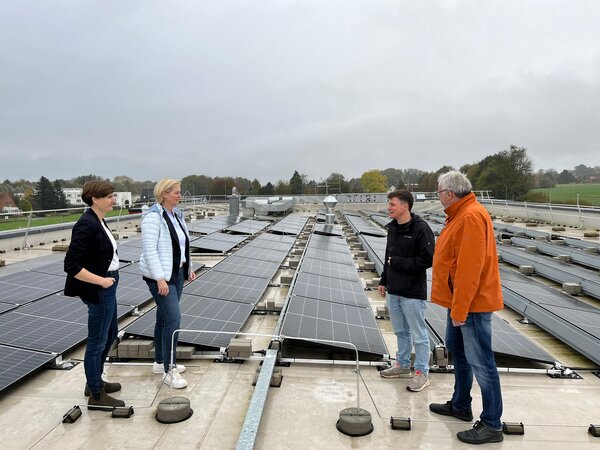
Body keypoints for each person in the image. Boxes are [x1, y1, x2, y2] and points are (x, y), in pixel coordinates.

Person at [429, 171, 504, 445]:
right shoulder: (460, 214)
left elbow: (469, 270)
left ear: (449, 193)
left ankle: (492, 423)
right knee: (459, 354)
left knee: (482, 363)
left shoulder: (470, 216)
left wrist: (460, 310)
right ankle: (461, 404)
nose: (438, 197)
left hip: (470, 305)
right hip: (459, 302)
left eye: (438, 192)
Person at [64, 180, 125, 410]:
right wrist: (102, 281)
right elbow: (71, 264)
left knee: (110, 335)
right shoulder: (86, 224)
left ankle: (95, 381)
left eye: (113, 195)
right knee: (97, 342)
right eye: (109, 196)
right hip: (99, 289)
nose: (113, 200)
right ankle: (96, 395)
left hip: (108, 284)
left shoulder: (98, 220)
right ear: (95, 199)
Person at [139, 179, 195, 389]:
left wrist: (188, 268)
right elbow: (150, 250)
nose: (180, 196)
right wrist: (159, 278)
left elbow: (182, 246)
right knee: (173, 320)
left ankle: (159, 362)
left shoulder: (176, 216)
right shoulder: (153, 218)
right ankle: (168, 369)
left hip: (177, 273)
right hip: (161, 277)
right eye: (176, 193)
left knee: (163, 318)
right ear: (164, 194)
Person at [378, 190, 435, 392]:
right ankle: (402, 365)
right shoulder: (393, 229)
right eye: (389, 204)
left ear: (405, 206)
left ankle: (422, 372)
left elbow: (428, 259)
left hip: (412, 292)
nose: (389, 208)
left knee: (419, 335)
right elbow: (388, 257)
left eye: (392, 204)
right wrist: (384, 280)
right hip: (394, 290)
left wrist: (400, 263)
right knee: (401, 332)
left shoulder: (421, 229)